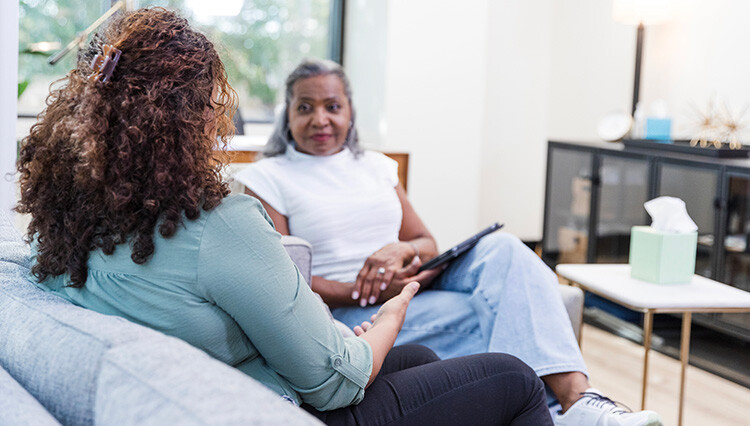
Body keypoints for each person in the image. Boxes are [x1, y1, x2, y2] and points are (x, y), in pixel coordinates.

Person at [16, 8, 554, 425]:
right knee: (514, 378)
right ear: (191, 118)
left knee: (418, 357)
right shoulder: (219, 220)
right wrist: (387, 317)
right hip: (278, 406)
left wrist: (356, 337)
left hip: (240, 382)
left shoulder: (69, 217)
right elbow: (332, 385)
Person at [234, 58, 664, 426]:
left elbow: (424, 240)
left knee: (507, 249)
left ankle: (577, 402)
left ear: (350, 113)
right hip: (354, 314)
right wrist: (361, 290)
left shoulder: (377, 168)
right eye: (305, 107)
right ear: (287, 115)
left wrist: (401, 250)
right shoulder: (268, 177)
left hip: (411, 291)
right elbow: (286, 274)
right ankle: (562, 405)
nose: (320, 119)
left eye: (333, 106)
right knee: (504, 310)